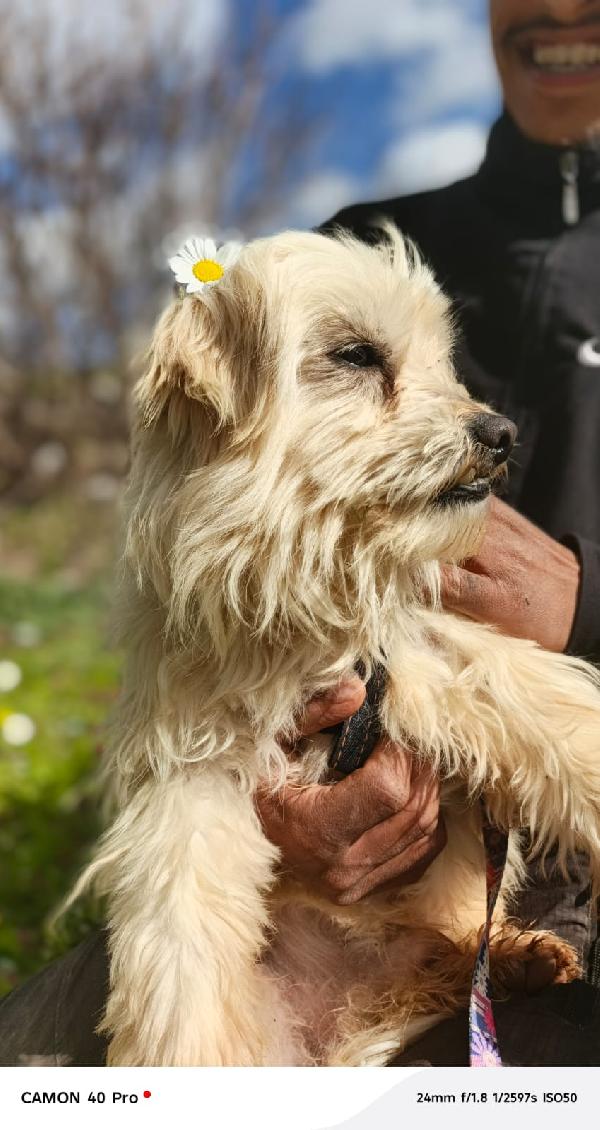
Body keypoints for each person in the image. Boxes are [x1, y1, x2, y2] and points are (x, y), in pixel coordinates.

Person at [2, 0, 600, 1067]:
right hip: (322, 905)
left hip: (533, 932)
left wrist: (584, 604)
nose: (561, 8)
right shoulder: (354, 239)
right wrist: (275, 799)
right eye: (363, 362)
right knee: (44, 1054)